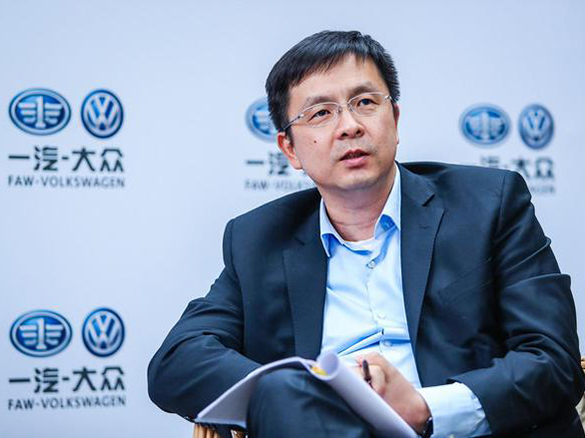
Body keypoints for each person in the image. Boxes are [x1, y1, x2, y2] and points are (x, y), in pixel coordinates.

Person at [148, 30, 584, 437]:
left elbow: (554, 360)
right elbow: (177, 361)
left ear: (394, 118)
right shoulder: (258, 239)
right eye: (321, 113)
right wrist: (300, 393)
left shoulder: (488, 204)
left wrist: (426, 408)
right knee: (282, 389)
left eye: (365, 102)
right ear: (290, 149)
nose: (349, 126)